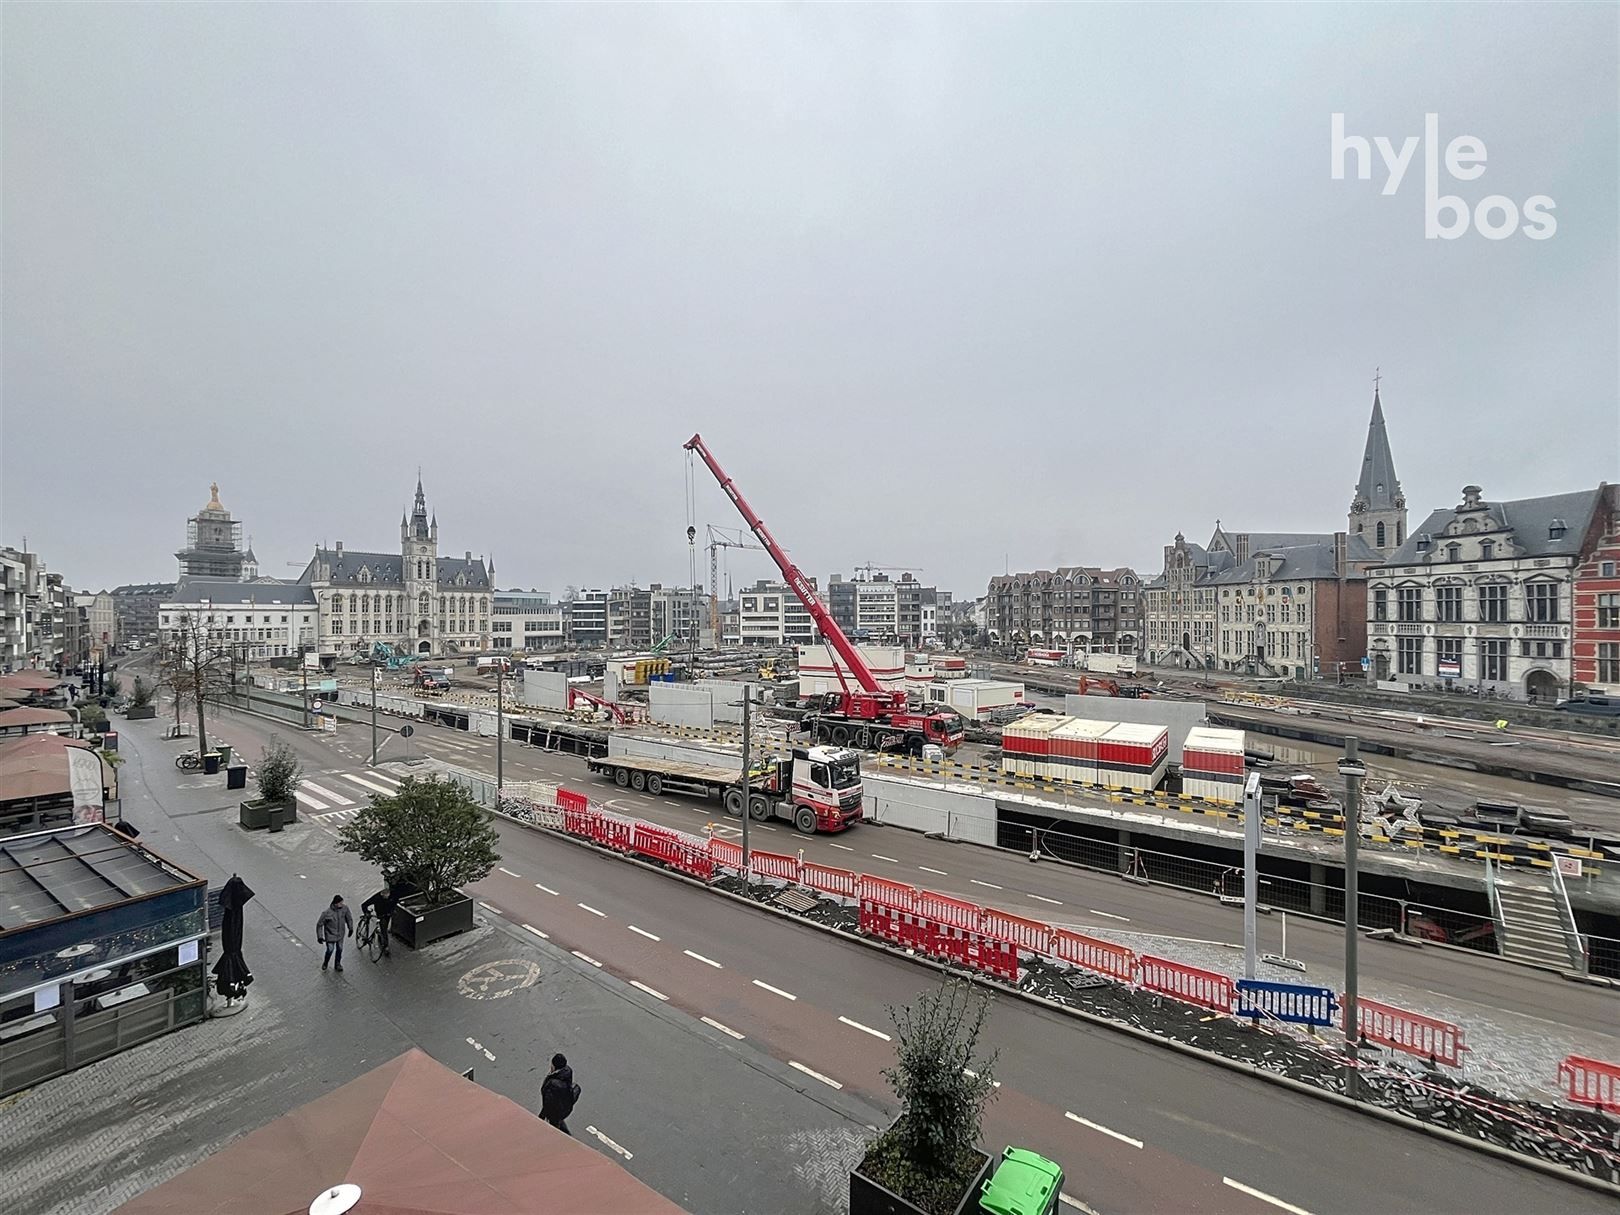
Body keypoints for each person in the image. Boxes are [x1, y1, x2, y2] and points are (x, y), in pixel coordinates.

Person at [539, 1053, 579, 1135]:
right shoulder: (567, 1071)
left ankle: (565, 1138)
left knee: (555, 1125)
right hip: (564, 1106)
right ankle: (566, 1135)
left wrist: (541, 1117)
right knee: (559, 1122)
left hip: (556, 1111)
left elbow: (548, 1104)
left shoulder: (553, 1085)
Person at [316, 895, 354, 972]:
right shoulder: (326, 913)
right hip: (330, 935)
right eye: (340, 903)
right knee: (330, 949)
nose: (342, 904)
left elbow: (349, 918)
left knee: (339, 949)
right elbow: (319, 925)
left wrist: (351, 928)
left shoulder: (345, 909)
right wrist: (320, 936)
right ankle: (326, 962)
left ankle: (337, 964)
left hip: (340, 934)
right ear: (335, 903)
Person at [361, 882, 396, 958]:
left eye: (387, 896)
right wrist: (366, 912)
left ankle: (381, 935)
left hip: (388, 914)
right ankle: (386, 946)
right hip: (381, 915)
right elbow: (364, 904)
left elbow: (394, 903)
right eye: (385, 896)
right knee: (384, 930)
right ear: (382, 895)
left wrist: (392, 911)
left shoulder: (392, 897)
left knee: (384, 927)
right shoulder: (376, 898)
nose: (386, 897)